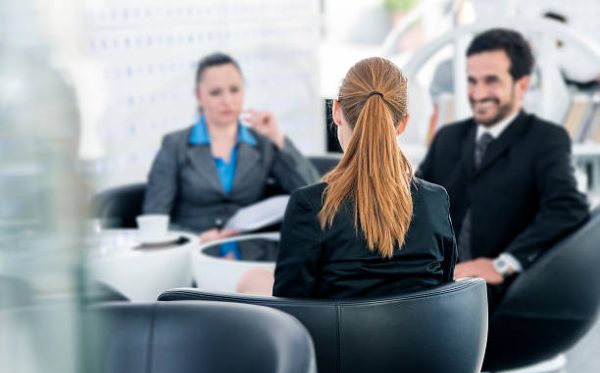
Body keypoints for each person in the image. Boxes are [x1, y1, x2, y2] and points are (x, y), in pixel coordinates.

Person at [417, 28, 590, 311]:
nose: (478, 93)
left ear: (521, 85)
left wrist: (503, 263)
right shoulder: (448, 137)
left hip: (501, 294)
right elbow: (416, 205)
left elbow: (567, 207)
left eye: (491, 81)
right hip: (435, 283)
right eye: (472, 81)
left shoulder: (546, 139)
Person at [272, 57, 456, 299]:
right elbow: (444, 290)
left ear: (337, 111)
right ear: (402, 124)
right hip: (426, 337)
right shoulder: (435, 200)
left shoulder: (310, 206)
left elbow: (290, 308)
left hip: (335, 338)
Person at [143, 53, 320, 241]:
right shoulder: (174, 145)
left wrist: (278, 138)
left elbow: (316, 195)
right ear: (198, 96)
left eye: (234, 90)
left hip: (249, 249)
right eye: (215, 92)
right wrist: (195, 239)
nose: (227, 100)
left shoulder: (262, 143)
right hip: (192, 253)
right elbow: (154, 220)